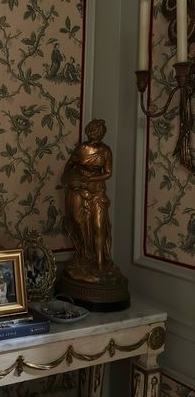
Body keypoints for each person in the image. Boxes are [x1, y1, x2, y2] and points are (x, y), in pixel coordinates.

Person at [61, 119, 113, 282]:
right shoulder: (81, 149)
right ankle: (85, 254)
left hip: (97, 191)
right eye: (94, 131)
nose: (97, 135)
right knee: (78, 221)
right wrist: (71, 180)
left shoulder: (105, 151)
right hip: (78, 188)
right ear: (89, 132)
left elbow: (108, 173)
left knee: (99, 225)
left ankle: (99, 262)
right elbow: (69, 167)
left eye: (100, 132)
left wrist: (91, 178)